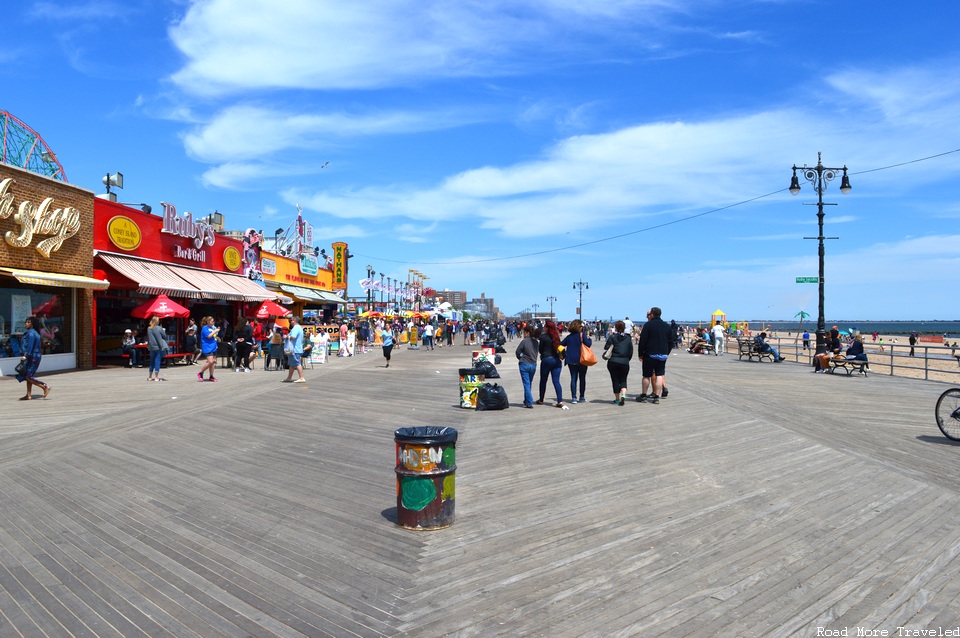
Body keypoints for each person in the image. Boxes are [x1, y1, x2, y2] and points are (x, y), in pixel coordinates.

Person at [636, 307, 673, 404]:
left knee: (646, 376)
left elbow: (643, 341)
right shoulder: (666, 326)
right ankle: (656, 396)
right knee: (659, 375)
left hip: (650, 354)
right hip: (663, 354)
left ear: (652, 314)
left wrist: (640, 354)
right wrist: (666, 352)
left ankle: (644, 395)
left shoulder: (648, 325)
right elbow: (671, 342)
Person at [16, 316, 50, 400]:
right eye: (26, 322)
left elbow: (30, 346)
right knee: (29, 374)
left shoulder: (31, 333)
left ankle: (44, 386)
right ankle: (28, 395)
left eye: (28, 322)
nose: (26, 324)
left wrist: (25, 355)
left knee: (28, 376)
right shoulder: (35, 333)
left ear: (32, 324)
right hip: (35, 355)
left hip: (32, 356)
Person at [561, 319, 593, 404]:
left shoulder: (569, 337)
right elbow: (588, 344)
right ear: (578, 327)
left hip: (571, 360)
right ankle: (581, 397)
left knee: (573, 378)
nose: (582, 327)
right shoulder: (582, 335)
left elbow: (561, 344)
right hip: (582, 359)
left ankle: (574, 397)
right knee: (582, 378)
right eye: (581, 326)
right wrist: (589, 339)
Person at [604, 320, 633, 406]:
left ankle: (617, 399)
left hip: (613, 361)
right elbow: (631, 351)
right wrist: (627, 359)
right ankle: (623, 395)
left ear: (616, 328)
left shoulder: (612, 337)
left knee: (615, 380)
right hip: (624, 361)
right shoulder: (628, 338)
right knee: (623, 379)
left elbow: (606, 347)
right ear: (624, 328)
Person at [537, 321, 565, 408]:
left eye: (545, 326)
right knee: (556, 381)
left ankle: (541, 399)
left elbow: (540, 350)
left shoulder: (543, 337)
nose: (544, 328)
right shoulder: (556, 337)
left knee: (543, 380)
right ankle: (559, 401)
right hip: (556, 361)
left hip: (546, 360)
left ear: (547, 328)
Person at [515, 325, 539, 408]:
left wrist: (520, 357)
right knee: (529, 383)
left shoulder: (524, 341)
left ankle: (529, 402)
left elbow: (518, 351)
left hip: (524, 363)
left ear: (527, 333)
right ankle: (526, 400)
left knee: (526, 384)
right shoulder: (536, 342)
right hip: (533, 364)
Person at [283, 316, 306, 383]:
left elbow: (293, 337)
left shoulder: (296, 328)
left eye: (292, 320)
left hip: (295, 349)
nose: (290, 322)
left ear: (294, 321)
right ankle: (289, 377)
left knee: (297, 363)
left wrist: (287, 336)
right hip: (296, 348)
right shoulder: (299, 327)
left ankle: (301, 377)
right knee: (292, 364)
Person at [145, 315, 168, 381]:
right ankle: (156, 377)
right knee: (157, 361)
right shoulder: (159, 328)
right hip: (158, 347)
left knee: (152, 361)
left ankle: (149, 376)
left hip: (151, 347)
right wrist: (163, 330)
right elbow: (164, 336)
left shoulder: (149, 328)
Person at [197, 316, 219, 382]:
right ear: (208, 321)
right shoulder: (205, 328)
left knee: (212, 363)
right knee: (210, 361)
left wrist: (217, 338)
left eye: (213, 321)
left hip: (213, 346)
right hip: (207, 347)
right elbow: (208, 336)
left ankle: (211, 376)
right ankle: (201, 372)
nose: (213, 322)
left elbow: (214, 336)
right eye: (212, 321)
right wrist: (215, 331)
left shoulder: (212, 328)